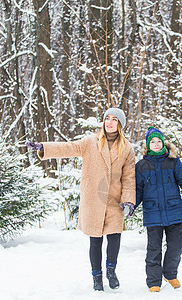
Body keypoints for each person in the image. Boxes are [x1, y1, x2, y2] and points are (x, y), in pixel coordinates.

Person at [26, 108, 136, 292]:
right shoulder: (91, 142)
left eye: (114, 120)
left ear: (120, 125)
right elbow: (69, 147)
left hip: (114, 200)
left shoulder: (127, 148)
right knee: (95, 240)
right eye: (107, 118)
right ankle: (97, 277)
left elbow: (129, 177)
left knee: (115, 236)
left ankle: (111, 270)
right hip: (94, 198)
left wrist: (128, 200)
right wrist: (45, 148)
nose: (109, 122)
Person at [135, 126, 182, 292]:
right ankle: (154, 282)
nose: (156, 144)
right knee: (154, 249)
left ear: (164, 143)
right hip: (152, 213)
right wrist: (130, 206)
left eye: (159, 141)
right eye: (153, 142)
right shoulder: (141, 166)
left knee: (176, 245)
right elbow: (138, 190)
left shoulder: (173, 161)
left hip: (173, 211)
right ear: (147, 145)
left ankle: (170, 274)